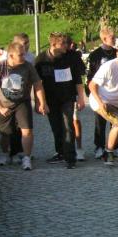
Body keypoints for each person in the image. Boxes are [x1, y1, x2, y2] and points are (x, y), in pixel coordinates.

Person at [0, 41, 48, 170]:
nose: (24, 57)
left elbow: (38, 85)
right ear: (11, 55)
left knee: (27, 130)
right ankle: (5, 153)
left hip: (22, 102)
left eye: (24, 54)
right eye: (20, 55)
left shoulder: (28, 66)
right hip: (4, 103)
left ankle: (26, 157)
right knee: (5, 133)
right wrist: (0, 107)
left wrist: (42, 102)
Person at [35, 32, 86, 168]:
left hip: (67, 98)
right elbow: (37, 84)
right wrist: (40, 102)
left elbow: (78, 79)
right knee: (56, 128)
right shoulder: (41, 59)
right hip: (50, 99)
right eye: (62, 43)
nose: (66, 45)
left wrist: (81, 98)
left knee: (68, 125)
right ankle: (60, 152)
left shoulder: (70, 57)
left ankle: (71, 158)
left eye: (66, 43)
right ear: (53, 44)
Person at [0, 32, 35, 161]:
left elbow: (33, 78)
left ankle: (21, 152)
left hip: (23, 96)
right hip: (7, 96)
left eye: (27, 43)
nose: (26, 46)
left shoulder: (31, 57)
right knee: (8, 128)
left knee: (23, 127)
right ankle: (9, 152)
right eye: (23, 43)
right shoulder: (4, 58)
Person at [86, 24, 118, 158]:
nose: (115, 39)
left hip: (114, 91)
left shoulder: (117, 53)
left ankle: (115, 146)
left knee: (116, 120)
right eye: (112, 38)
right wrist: (92, 94)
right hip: (100, 93)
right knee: (100, 121)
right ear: (104, 39)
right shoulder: (95, 55)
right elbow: (90, 75)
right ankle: (99, 146)